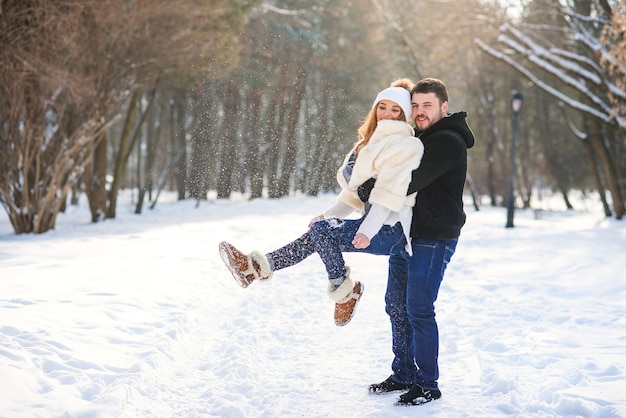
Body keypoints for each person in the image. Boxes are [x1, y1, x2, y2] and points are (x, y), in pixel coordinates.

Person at [219, 78, 424, 327]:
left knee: (321, 234)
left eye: (396, 110)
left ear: (404, 116)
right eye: (383, 107)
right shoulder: (365, 146)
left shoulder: (405, 145)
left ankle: (345, 293)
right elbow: (352, 194)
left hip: (392, 230)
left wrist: (367, 231)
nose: (387, 115)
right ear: (375, 109)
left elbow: (387, 196)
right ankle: (255, 268)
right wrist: (327, 215)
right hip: (373, 224)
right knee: (316, 234)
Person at [365, 78, 475, 406]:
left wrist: (367, 187)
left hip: (434, 237)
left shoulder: (447, 141)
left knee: (419, 310)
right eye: (415, 105)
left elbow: (410, 181)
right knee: (395, 305)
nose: (419, 111)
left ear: (444, 106)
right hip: (409, 234)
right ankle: (404, 373)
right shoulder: (420, 138)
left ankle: (428, 383)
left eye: (427, 105)